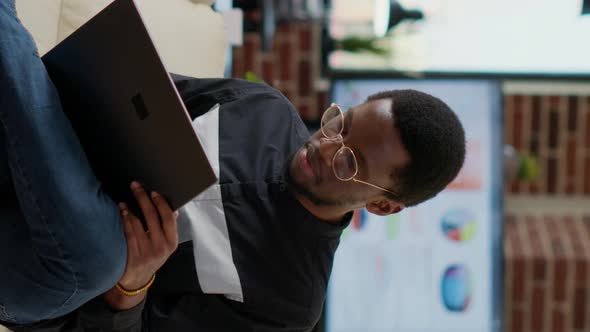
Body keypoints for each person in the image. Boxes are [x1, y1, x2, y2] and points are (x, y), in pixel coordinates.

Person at [0, 1, 466, 331]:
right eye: (340, 124)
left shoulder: (288, 304)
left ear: (382, 205)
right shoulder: (263, 107)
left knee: (101, 256)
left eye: (349, 161)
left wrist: (133, 285)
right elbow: (104, 85)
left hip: (43, 269)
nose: (325, 147)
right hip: (25, 156)